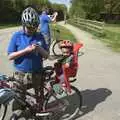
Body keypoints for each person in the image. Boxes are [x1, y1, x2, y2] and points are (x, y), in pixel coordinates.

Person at [7, 7, 49, 115]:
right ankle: (19, 115)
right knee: (19, 98)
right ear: (23, 25)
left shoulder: (39, 36)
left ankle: (39, 112)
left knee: (39, 97)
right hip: (20, 74)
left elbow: (46, 56)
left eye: (34, 28)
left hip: (37, 73)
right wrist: (25, 50)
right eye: (29, 28)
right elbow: (10, 56)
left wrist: (40, 49)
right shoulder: (17, 36)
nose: (32, 31)